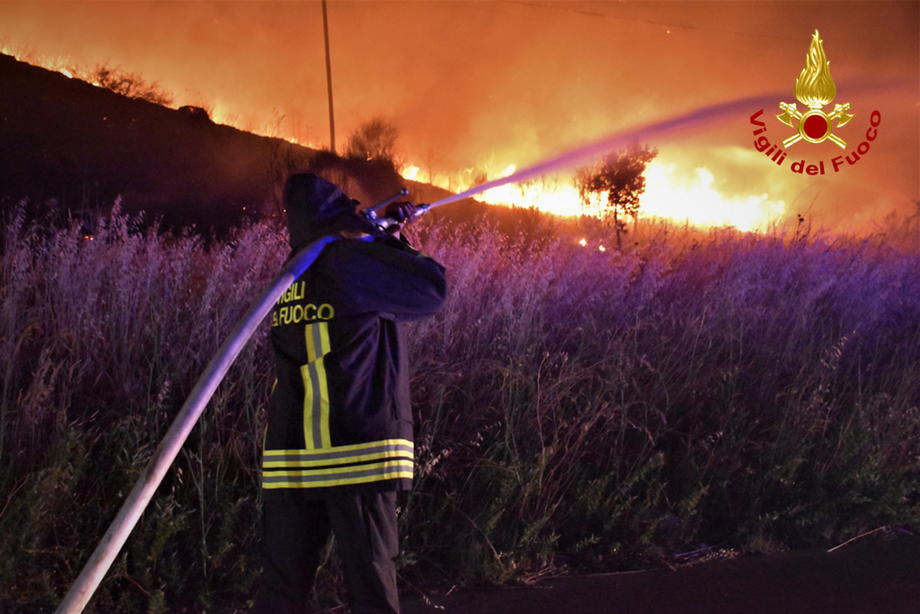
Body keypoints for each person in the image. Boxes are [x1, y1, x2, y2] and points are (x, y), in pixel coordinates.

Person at [251, 173, 447, 614]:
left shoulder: (293, 273)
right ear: (338, 216)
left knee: (282, 589)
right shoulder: (349, 262)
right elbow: (432, 289)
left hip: (294, 458)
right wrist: (388, 243)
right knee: (371, 584)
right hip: (354, 450)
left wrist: (373, 238)